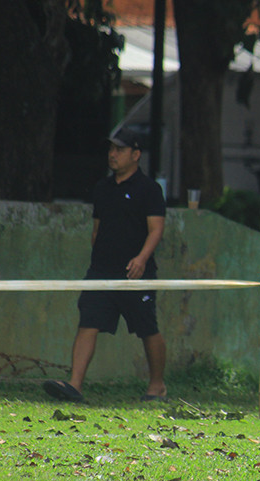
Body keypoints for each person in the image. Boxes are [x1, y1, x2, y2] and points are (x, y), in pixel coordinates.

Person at [42, 127, 167, 403]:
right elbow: (96, 230)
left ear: (136, 154)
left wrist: (141, 259)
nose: (113, 154)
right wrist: (98, 260)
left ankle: (157, 386)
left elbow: (156, 230)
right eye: (111, 149)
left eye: (119, 150)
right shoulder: (102, 188)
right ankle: (74, 385)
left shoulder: (150, 190)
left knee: (148, 329)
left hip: (137, 275)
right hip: (100, 273)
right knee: (88, 322)